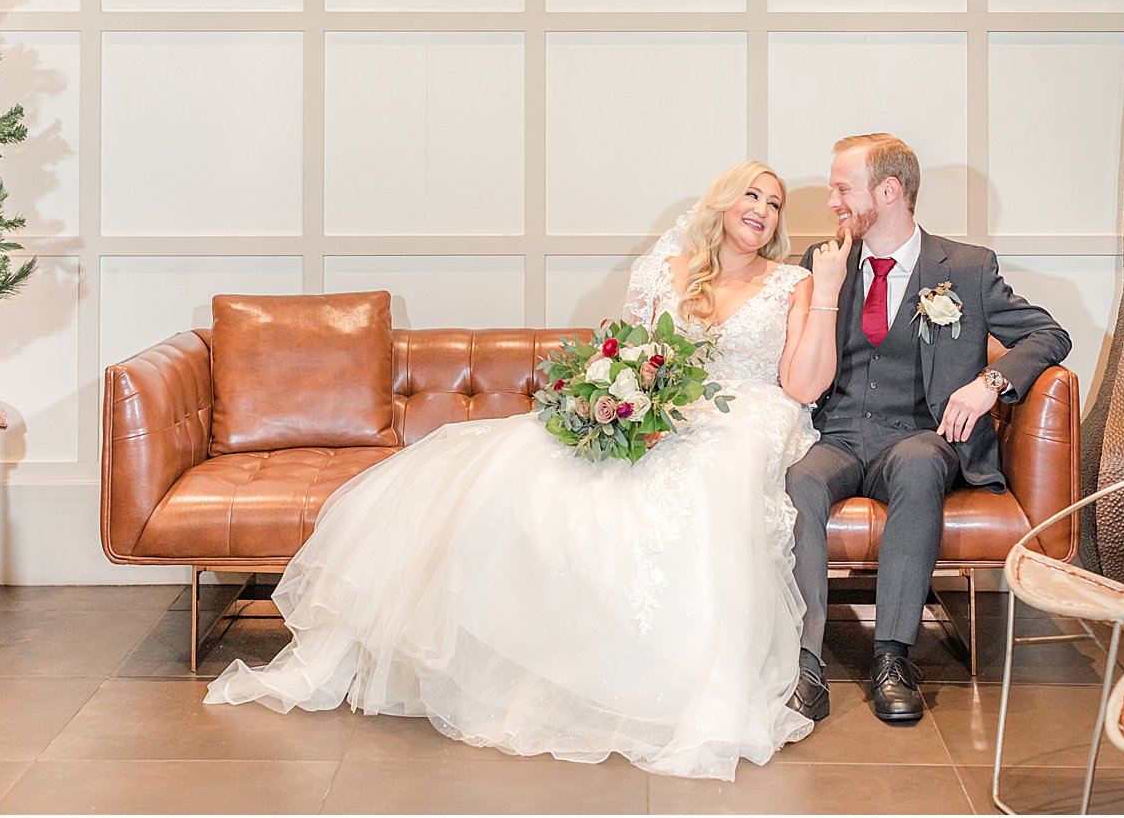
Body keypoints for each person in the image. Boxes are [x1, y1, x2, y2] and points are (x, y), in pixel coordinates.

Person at [205, 160, 852, 782]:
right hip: (665, 410)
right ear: (723, 201)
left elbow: (801, 384)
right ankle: (536, 661)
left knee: (697, 490)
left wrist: (824, 294)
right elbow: (629, 351)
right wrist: (627, 400)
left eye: (774, 204)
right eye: (753, 196)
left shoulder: (789, 284)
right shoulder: (663, 270)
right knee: (530, 476)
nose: (763, 211)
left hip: (743, 417)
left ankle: (674, 677)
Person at [785, 133, 1070, 725]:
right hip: (835, 435)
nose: (833, 201)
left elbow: (1050, 334)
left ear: (889, 191)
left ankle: (893, 656)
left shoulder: (965, 268)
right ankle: (805, 662)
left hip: (917, 435)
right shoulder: (822, 262)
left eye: (843, 188)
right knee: (800, 482)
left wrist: (987, 384)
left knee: (918, 464)